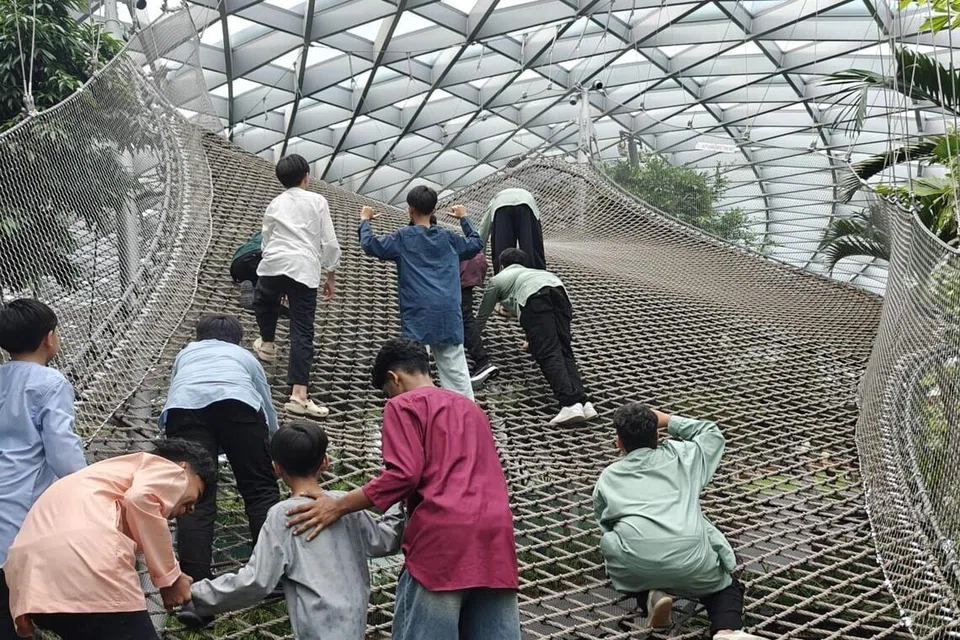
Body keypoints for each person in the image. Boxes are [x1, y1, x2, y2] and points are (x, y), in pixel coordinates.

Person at [286, 339, 520, 640]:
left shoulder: (403, 405)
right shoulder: (471, 409)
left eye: (387, 392)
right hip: (495, 535)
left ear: (394, 378)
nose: (389, 398)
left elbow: (404, 474)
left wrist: (338, 505)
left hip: (443, 538)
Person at [179, 421, 404, 637]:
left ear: (276, 468)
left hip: (315, 630)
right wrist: (399, 500)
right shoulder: (346, 504)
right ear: (325, 462)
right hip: (354, 624)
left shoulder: (283, 514)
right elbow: (386, 540)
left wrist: (196, 595)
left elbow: (258, 580)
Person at [3, 439, 215, 640]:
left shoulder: (98, 477)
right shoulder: (168, 469)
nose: (192, 508)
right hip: (86, 565)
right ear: (184, 467)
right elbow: (140, 498)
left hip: (29, 580)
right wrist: (171, 579)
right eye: (196, 494)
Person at [592, 404, 761, 640]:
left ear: (619, 442)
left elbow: (604, 521)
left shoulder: (608, 476)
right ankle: (726, 630)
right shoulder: (683, 457)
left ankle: (650, 596)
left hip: (637, 565)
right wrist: (669, 419)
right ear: (657, 434)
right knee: (725, 586)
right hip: (694, 561)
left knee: (613, 544)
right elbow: (711, 434)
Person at [161, 314, 281, 592]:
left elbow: (176, 390)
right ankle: (271, 578)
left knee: (195, 498)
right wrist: (272, 446)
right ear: (238, 340)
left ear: (198, 337)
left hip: (185, 410)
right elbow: (264, 400)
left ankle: (195, 592)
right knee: (260, 490)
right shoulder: (244, 356)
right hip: (239, 406)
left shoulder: (186, 354)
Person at [0, 299, 88, 640]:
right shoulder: (50, 383)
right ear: (49, 338)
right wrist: (91, 490)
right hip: (21, 518)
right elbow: (63, 454)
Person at [358, 186, 483, 401]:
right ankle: (465, 416)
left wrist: (365, 221)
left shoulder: (403, 238)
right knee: (456, 372)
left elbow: (369, 245)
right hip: (448, 313)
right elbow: (476, 244)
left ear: (410, 210)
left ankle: (418, 410)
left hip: (418, 314)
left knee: (414, 367)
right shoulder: (449, 239)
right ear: (434, 209)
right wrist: (464, 218)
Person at [252, 153, 341, 419]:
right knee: (302, 330)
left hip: (274, 263)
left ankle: (267, 343)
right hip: (303, 269)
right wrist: (331, 274)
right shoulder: (317, 201)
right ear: (306, 176)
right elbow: (330, 242)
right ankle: (298, 395)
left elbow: (266, 238)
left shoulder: (274, 203)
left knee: (264, 302)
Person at [471, 248, 596, 425]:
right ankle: (584, 402)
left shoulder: (498, 279)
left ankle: (569, 403)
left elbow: (483, 315)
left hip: (535, 300)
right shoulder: (536, 273)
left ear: (501, 265)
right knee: (564, 352)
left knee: (548, 353)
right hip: (560, 295)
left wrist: (471, 339)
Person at [478, 187, 546, 274]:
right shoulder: (527, 196)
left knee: (502, 253)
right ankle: (537, 277)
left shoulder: (493, 201)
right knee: (531, 249)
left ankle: (502, 278)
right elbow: (536, 235)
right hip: (526, 203)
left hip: (501, 206)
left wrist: (479, 254)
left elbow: (484, 228)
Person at [459, 251, 498, 387]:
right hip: (467, 278)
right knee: (464, 317)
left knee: (464, 319)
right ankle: (479, 358)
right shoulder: (468, 246)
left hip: (459, 279)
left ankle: (482, 359)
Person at [230, 231, 262, 308]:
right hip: (259, 258)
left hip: (238, 261)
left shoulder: (263, 231)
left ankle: (252, 288)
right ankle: (262, 298)